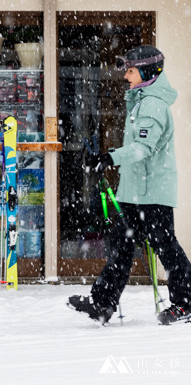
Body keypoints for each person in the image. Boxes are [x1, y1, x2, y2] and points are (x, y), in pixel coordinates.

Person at [69, 45, 191, 325]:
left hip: (153, 193)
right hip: (135, 191)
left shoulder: (153, 105)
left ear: (147, 72)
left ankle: (186, 303)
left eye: (132, 70)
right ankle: (102, 303)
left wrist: (110, 157)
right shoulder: (140, 100)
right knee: (121, 245)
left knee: (165, 246)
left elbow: (143, 148)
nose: (126, 75)